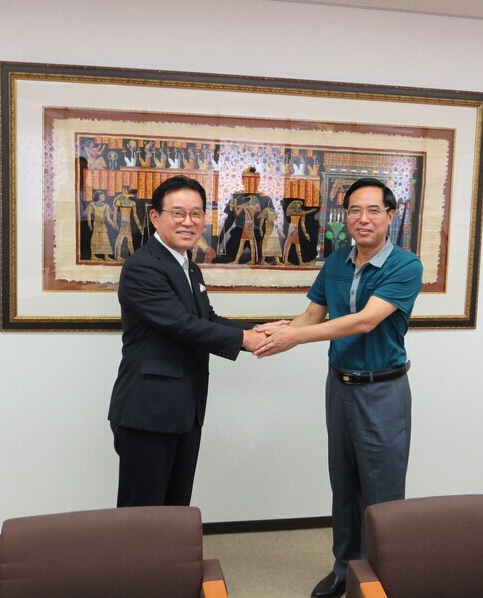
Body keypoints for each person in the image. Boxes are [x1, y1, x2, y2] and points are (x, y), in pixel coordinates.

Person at [254, 178, 423, 598]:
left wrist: (295, 337)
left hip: (382, 391)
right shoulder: (335, 261)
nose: (363, 219)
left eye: (373, 210)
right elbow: (313, 315)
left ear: (390, 215)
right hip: (340, 387)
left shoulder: (405, 265)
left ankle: (381, 577)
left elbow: (365, 321)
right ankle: (344, 569)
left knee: (381, 492)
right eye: (354, 210)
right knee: (344, 485)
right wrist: (276, 332)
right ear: (345, 216)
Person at [108, 175, 265, 507]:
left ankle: (170, 548)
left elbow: (206, 319)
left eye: (196, 214)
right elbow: (182, 326)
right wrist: (244, 339)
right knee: (142, 515)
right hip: (148, 411)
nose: (188, 222)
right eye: (178, 213)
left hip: (185, 409)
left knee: (176, 509)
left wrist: (261, 331)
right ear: (155, 217)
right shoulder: (142, 267)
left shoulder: (189, 267)